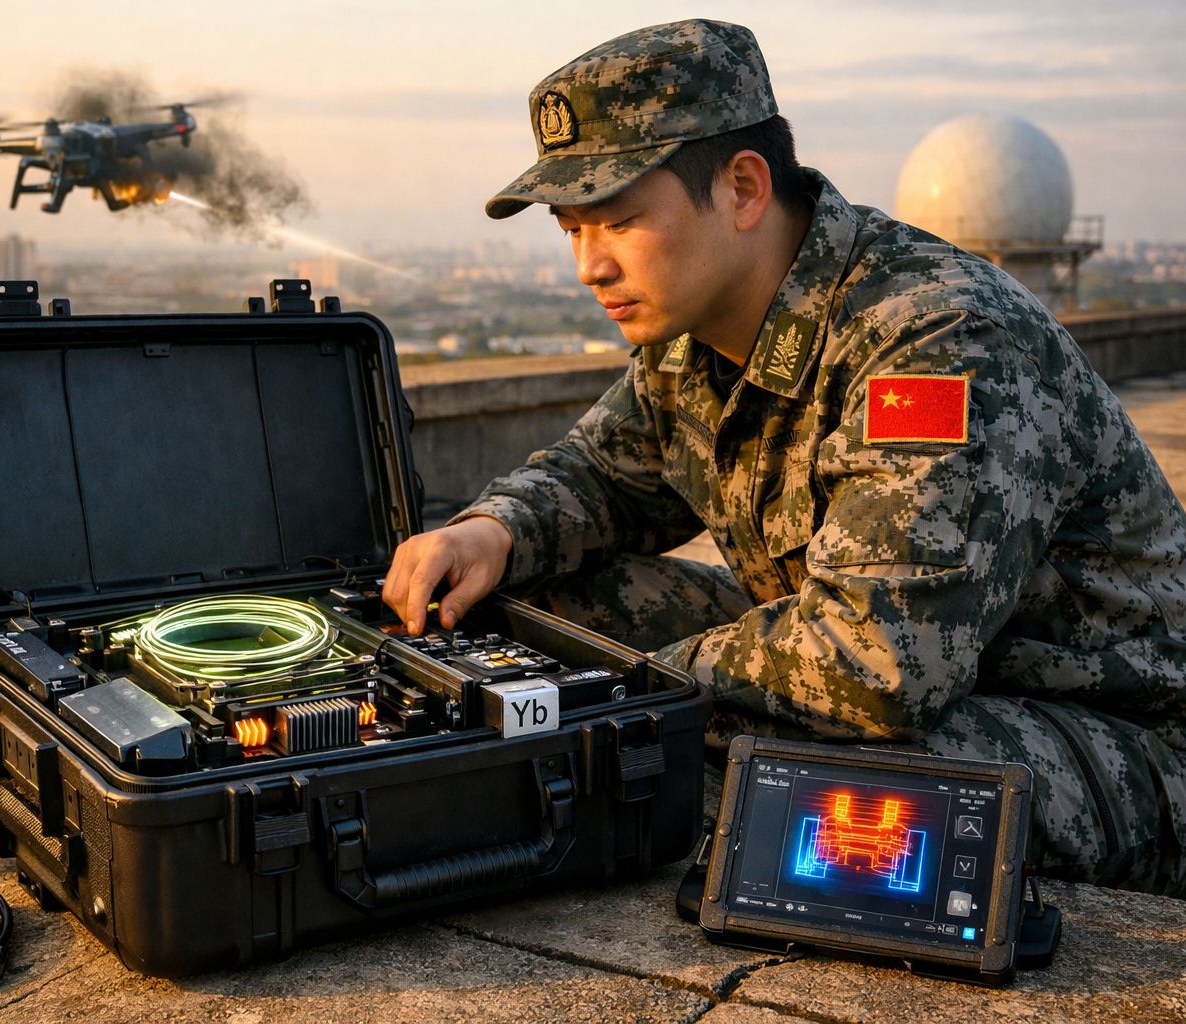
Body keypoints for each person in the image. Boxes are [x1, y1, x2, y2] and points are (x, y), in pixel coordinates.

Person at [382, 19, 1186, 894]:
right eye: (570, 229)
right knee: (531, 611)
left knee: (771, 768)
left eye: (618, 221)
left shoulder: (937, 339)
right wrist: (492, 531)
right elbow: (602, 477)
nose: (589, 267)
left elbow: (878, 665)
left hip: (1112, 739)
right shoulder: (693, 335)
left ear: (743, 189)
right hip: (934, 683)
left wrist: (633, 691)